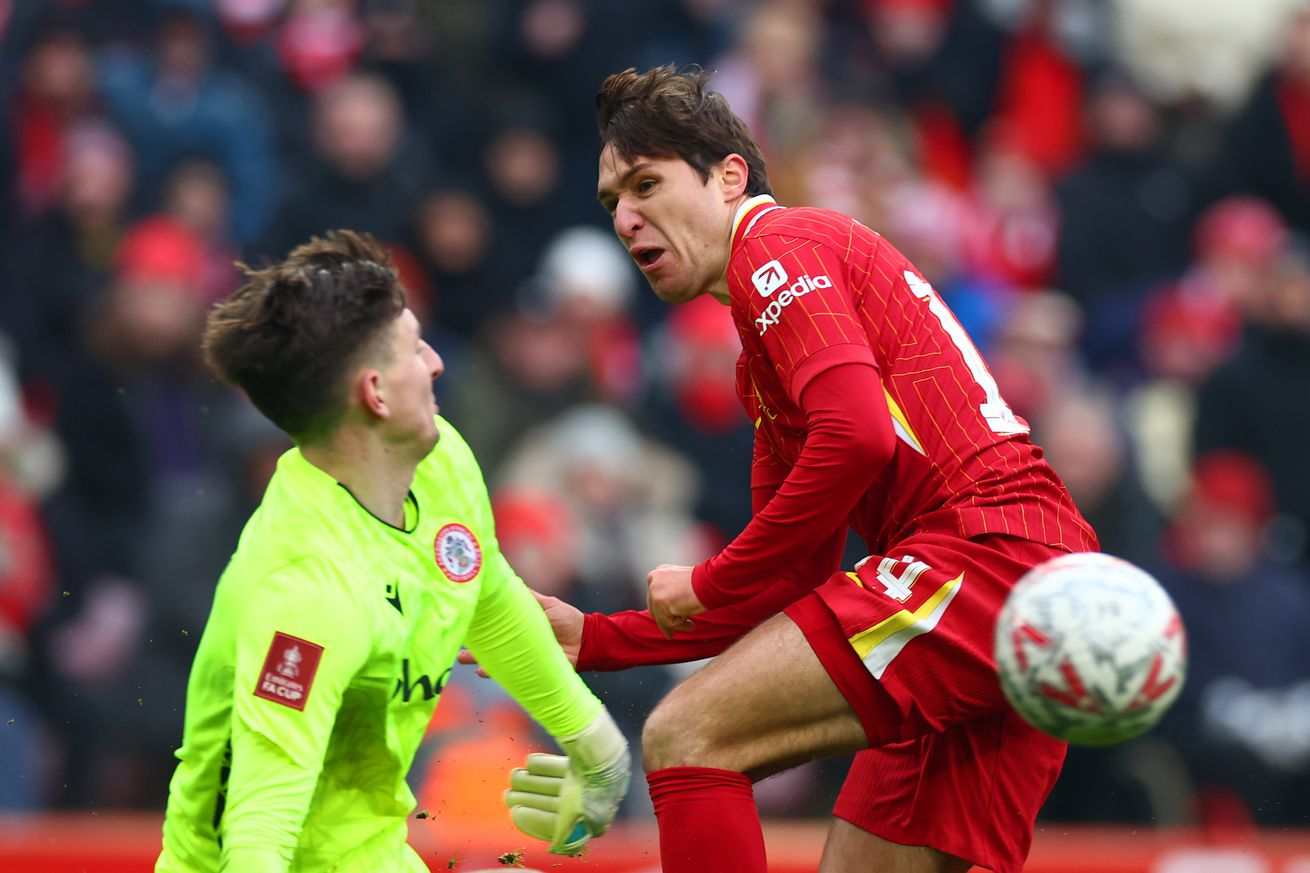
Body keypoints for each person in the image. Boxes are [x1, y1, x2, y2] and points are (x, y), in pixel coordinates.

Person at [517, 65, 1100, 873]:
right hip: (1012, 583)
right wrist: (595, 638)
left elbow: (856, 437)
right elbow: (785, 583)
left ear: (729, 177)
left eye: (646, 184)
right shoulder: (764, 360)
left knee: (689, 737)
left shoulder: (777, 247)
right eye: (613, 201)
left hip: (984, 558)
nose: (627, 218)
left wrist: (711, 579)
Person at [154, 230, 629, 872]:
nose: (436, 362)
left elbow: (484, 594)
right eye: (414, 348)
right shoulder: (306, 592)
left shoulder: (441, 460)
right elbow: (259, 832)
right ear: (375, 393)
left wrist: (597, 747)